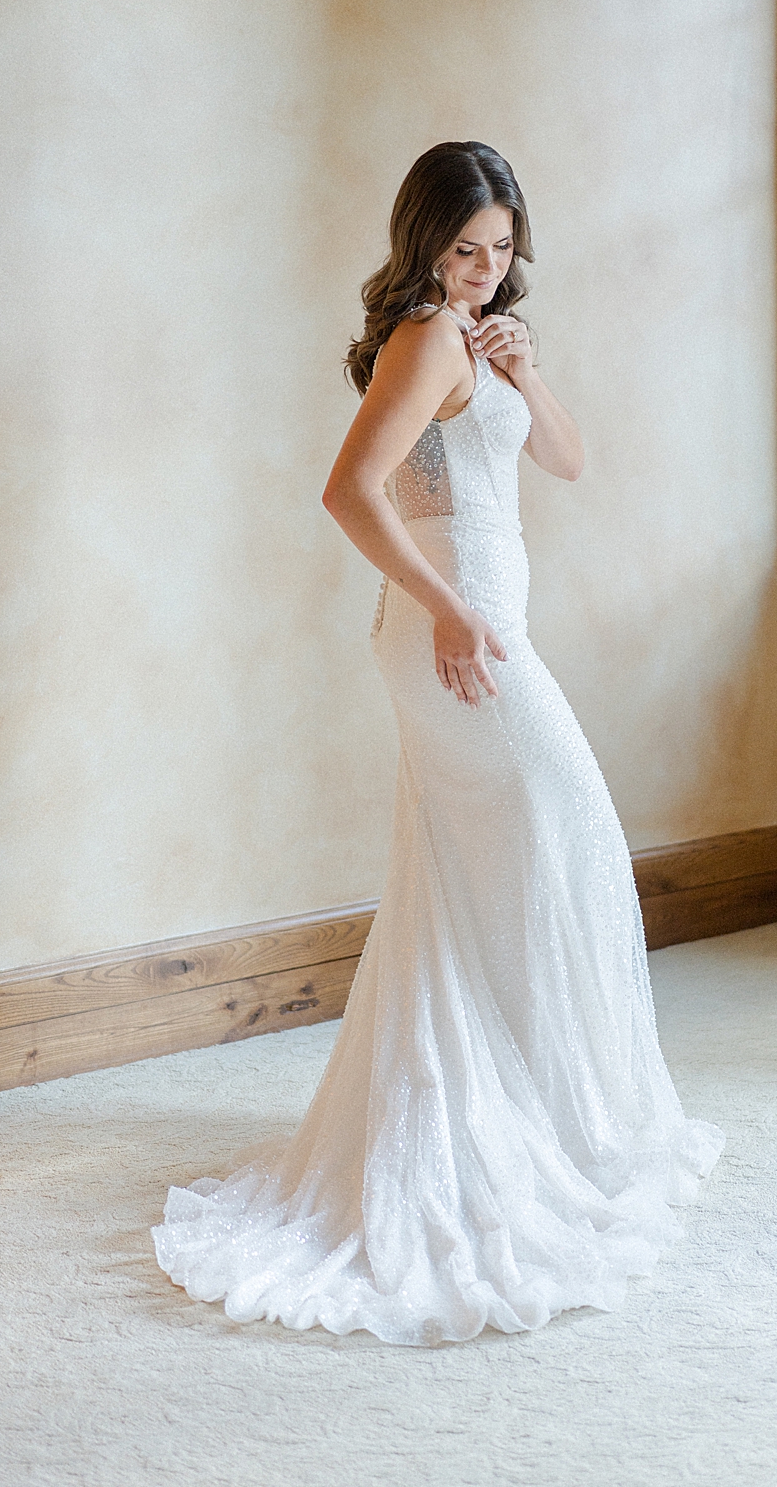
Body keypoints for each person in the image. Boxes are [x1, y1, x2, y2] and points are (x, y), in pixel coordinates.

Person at [152, 141, 723, 1345]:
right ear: (424, 243)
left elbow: (565, 459)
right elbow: (350, 489)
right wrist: (449, 609)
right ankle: (508, 1130)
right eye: (465, 250)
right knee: (562, 839)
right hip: (455, 635)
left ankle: (538, 1112)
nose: (483, 269)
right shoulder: (421, 336)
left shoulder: (478, 338)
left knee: (509, 873)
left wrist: (529, 365)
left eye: (502, 249)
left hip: (481, 624)